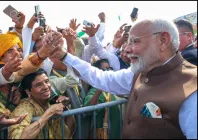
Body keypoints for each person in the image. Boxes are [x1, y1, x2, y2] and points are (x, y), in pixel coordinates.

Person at [41, 19, 197, 139]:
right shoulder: (137, 74)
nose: (128, 49)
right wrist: (64, 55)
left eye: (135, 41)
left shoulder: (192, 89)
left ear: (163, 40)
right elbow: (100, 77)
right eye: (128, 42)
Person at [8, 69, 76, 139]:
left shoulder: (51, 103)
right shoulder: (24, 107)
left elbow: (69, 132)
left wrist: (64, 107)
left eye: (47, 81)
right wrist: (48, 114)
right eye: (38, 85)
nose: (46, 87)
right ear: (28, 91)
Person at [84, 59, 121, 139]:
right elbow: (88, 108)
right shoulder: (95, 90)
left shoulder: (115, 88)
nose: (108, 71)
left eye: (109, 68)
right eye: (104, 69)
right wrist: (101, 87)